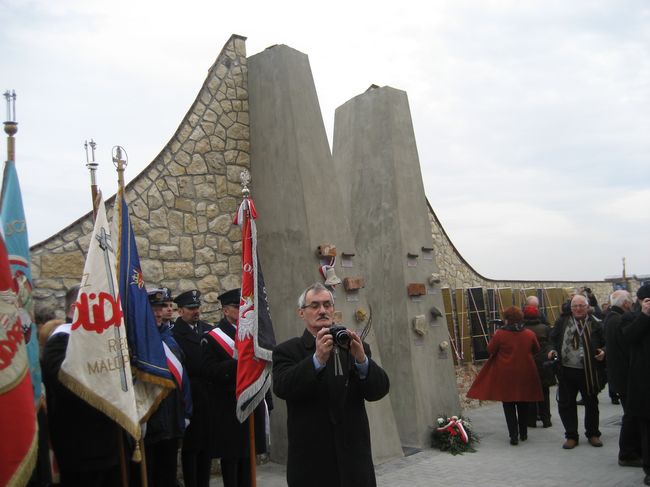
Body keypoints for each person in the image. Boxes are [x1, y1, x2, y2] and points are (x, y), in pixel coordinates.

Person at [272, 282, 389, 487]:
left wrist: (362, 361)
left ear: (333, 310)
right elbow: (283, 387)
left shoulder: (353, 346)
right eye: (315, 306)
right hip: (312, 464)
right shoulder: (287, 351)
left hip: (354, 463)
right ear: (302, 313)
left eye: (327, 305)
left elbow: (378, 390)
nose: (322, 310)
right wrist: (316, 360)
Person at [42, 285, 121, 487]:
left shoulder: (99, 339)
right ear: (76, 307)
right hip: (79, 446)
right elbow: (67, 386)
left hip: (108, 443)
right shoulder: (60, 341)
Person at [202, 289, 268, 487]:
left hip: (250, 403)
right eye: (236, 307)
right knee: (231, 460)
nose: (240, 310)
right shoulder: (213, 338)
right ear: (225, 311)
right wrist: (236, 362)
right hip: (227, 406)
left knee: (248, 458)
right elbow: (210, 371)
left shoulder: (251, 333)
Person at [467, 306, 543, 445]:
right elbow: (536, 349)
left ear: (507, 319)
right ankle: (524, 433)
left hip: (506, 374)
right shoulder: (529, 334)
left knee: (508, 406)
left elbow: (490, 350)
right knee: (523, 404)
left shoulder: (500, 334)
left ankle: (513, 436)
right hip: (524, 373)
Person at [142, 288, 192, 487]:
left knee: (167, 474)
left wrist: (186, 412)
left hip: (171, 420)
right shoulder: (139, 339)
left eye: (162, 307)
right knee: (150, 474)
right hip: (150, 420)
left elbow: (183, 378)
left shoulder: (169, 339)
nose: (158, 311)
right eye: (154, 307)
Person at [548, 294, 606, 449]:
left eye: (582, 306)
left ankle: (593, 434)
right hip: (566, 370)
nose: (578, 309)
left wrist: (604, 351)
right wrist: (552, 350)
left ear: (587, 307)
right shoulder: (562, 322)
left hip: (589, 371)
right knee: (566, 404)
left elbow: (607, 342)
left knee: (591, 404)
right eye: (575, 306)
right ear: (571, 308)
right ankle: (571, 436)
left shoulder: (596, 323)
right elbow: (552, 340)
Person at [172, 290, 215, 487]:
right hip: (190, 397)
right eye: (190, 308)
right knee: (192, 448)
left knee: (206, 447)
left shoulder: (207, 329)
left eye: (197, 307)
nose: (195, 311)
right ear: (180, 311)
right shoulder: (175, 333)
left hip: (208, 396)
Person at [604, 290, 642, 467]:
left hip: (619, 376)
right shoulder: (618, 320)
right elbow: (627, 348)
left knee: (631, 415)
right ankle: (627, 453)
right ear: (626, 304)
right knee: (631, 416)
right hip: (626, 377)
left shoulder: (611, 318)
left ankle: (632, 451)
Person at [622, 284, 650, 486]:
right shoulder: (632, 317)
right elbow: (627, 338)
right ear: (640, 301)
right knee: (647, 431)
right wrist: (645, 315)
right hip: (644, 385)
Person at [522, 305, 555, 428]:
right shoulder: (545, 328)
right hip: (543, 363)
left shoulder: (523, 329)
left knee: (530, 393)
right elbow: (551, 344)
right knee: (544, 393)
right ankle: (546, 419)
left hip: (528, 363)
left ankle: (531, 420)